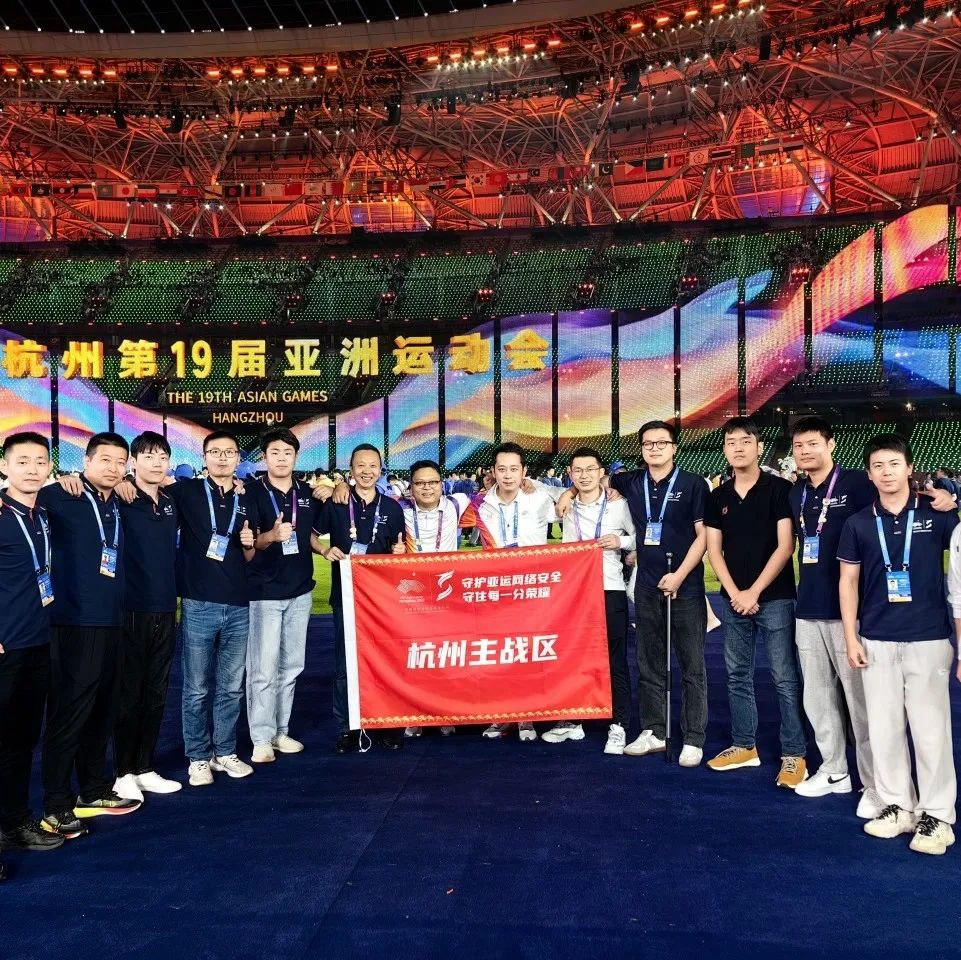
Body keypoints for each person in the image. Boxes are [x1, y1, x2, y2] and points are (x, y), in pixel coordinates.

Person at [840, 433, 958, 855]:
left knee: (930, 730)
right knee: (884, 728)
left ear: (909, 468)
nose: (887, 472)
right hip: (876, 639)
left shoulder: (937, 514)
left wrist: (954, 502)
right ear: (869, 474)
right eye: (878, 466)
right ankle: (897, 805)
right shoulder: (857, 522)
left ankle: (938, 815)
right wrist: (851, 637)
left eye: (894, 464)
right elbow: (848, 581)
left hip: (929, 637)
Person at [39, 432, 140, 838]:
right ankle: (55, 805)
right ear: (86, 460)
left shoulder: (118, 500)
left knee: (103, 710)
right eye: (105, 460)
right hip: (74, 622)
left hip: (113, 620)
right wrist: (56, 478)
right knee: (70, 713)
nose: (113, 468)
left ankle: (93, 790)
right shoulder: (59, 494)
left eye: (120, 462)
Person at [704, 417, 808, 788]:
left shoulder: (780, 489)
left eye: (745, 441)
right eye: (731, 441)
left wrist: (753, 592)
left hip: (775, 598)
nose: (738, 447)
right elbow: (713, 550)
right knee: (737, 675)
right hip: (733, 600)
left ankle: (794, 753)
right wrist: (735, 593)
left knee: (784, 677)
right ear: (724, 449)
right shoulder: (718, 495)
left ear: (759, 447)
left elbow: (785, 546)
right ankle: (744, 745)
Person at [610, 421, 709, 767]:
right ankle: (653, 730)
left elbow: (704, 536)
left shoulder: (693, 484)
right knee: (649, 661)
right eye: (648, 443)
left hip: (685, 586)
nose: (654, 448)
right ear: (641, 448)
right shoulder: (631, 481)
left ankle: (693, 737)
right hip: (646, 585)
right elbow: (594, 480)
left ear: (674, 447)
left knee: (692, 664)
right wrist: (565, 494)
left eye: (661, 443)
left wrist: (679, 576)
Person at [171, 431, 256, 786]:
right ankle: (198, 757)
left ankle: (225, 751)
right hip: (199, 602)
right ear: (204, 457)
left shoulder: (247, 496)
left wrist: (249, 543)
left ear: (238, 458)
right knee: (196, 687)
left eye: (229, 452)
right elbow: (145, 486)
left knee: (232, 686)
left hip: (238, 603)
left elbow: (250, 554)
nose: (222, 457)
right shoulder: (185, 491)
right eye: (215, 452)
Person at [539, 448, 635, 754]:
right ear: (570, 474)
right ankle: (573, 719)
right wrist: (566, 494)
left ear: (601, 472)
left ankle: (619, 725)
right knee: (573, 657)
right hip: (574, 592)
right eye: (577, 470)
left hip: (609, 588)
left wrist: (622, 541)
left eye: (590, 469)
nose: (584, 475)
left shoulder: (619, 505)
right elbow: (531, 490)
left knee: (614, 658)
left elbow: (640, 536)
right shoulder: (564, 503)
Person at [459, 442, 556, 741]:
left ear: (524, 471)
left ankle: (527, 717)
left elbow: (579, 493)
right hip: (495, 592)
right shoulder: (479, 503)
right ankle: (500, 714)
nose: (508, 475)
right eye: (502, 469)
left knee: (528, 653)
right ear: (493, 471)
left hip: (532, 591)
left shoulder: (539, 497)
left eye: (514, 469)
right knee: (497, 655)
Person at [311, 444, 405, 754]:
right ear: (351, 470)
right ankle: (348, 727)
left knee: (386, 661)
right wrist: (324, 550)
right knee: (345, 663)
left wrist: (400, 553)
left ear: (381, 469)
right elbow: (310, 534)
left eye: (373, 465)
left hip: (382, 600)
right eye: (360, 465)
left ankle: (387, 724)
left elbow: (400, 549)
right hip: (346, 595)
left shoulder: (392, 508)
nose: (367, 471)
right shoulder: (337, 502)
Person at [0, 433, 65, 877]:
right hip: (4, 645)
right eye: (22, 460)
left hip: (36, 641)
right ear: (5, 467)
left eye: (40, 461)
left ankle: (13, 822)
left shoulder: (40, 514)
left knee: (21, 742)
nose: (31, 468)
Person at [246, 428, 322, 764]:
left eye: (287, 453)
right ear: (264, 457)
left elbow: (309, 535)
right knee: (263, 668)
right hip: (264, 592)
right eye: (274, 452)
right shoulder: (251, 491)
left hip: (300, 590)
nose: (281, 458)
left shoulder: (306, 492)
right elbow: (248, 543)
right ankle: (261, 738)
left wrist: (323, 548)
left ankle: (281, 731)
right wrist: (271, 536)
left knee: (291, 666)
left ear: (296, 457)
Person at [113, 432, 182, 800]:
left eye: (162, 457)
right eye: (149, 456)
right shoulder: (121, 498)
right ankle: (122, 772)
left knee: (156, 692)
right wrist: (118, 481)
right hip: (132, 609)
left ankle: (144, 767)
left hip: (166, 608)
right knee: (129, 694)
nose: (157, 463)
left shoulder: (170, 501)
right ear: (134, 462)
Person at [395, 458, 469, 738]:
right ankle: (415, 713)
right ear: (411, 487)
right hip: (412, 596)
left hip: (446, 594)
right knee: (414, 656)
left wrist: (568, 492)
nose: (427, 488)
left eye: (433, 482)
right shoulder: (398, 509)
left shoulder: (457, 504)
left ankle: (444, 713)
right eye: (420, 483)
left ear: (442, 484)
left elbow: (500, 492)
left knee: (444, 655)